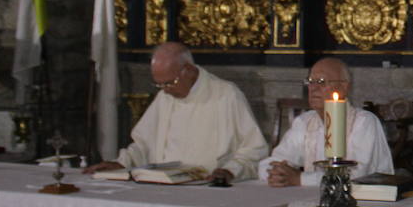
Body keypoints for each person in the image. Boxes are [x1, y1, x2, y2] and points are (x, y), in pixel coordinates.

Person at [85, 42, 267, 184]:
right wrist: (121, 163)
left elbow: (254, 149)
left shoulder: (226, 95)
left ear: (188, 70)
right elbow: (144, 145)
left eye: (169, 83)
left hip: (208, 186)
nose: (164, 90)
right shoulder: (165, 97)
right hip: (160, 185)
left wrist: (230, 171)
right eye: (159, 84)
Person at [259, 57, 393, 187]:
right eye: (311, 81)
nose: (313, 88)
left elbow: (358, 174)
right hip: (312, 197)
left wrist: (300, 178)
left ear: (344, 86)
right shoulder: (304, 122)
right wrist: (276, 173)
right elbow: (273, 162)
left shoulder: (364, 122)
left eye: (321, 82)